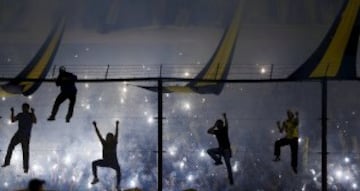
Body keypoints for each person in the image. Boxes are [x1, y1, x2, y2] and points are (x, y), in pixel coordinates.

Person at [1, 103, 37, 173]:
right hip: (19, 134)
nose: (23, 109)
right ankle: (7, 162)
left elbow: (35, 121)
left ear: (27, 108)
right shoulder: (20, 114)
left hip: (25, 136)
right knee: (11, 146)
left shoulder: (30, 115)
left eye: (24, 108)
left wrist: (33, 113)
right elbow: (13, 120)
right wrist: (12, 112)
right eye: (23, 107)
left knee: (25, 152)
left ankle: (25, 168)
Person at [91, 120, 121, 190]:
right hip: (106, 161)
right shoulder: (104, 143)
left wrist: (117, 125)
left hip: (113, 162)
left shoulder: (114, 143)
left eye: (109, 138)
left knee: (118, 170)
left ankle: (118, 185)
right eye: (107, 137)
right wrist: (95, 126)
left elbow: (116, 134)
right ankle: (96, 178)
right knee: (94, 163)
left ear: (112, 138)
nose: (108, 139)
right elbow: (99, 135)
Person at [207, 113, 234, 185]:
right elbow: (208, 131)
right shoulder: (217, 131)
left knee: (228, 165)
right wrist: (214, 126)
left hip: (226, 150)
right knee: (209, 151)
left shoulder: (224, 129)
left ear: (221, 124)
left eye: (219, 124)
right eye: (217, 124)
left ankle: (231, 179)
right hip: (221, 149)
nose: (218, 126)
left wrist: (225, 117)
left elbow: (227, 124)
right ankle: (218, 160)